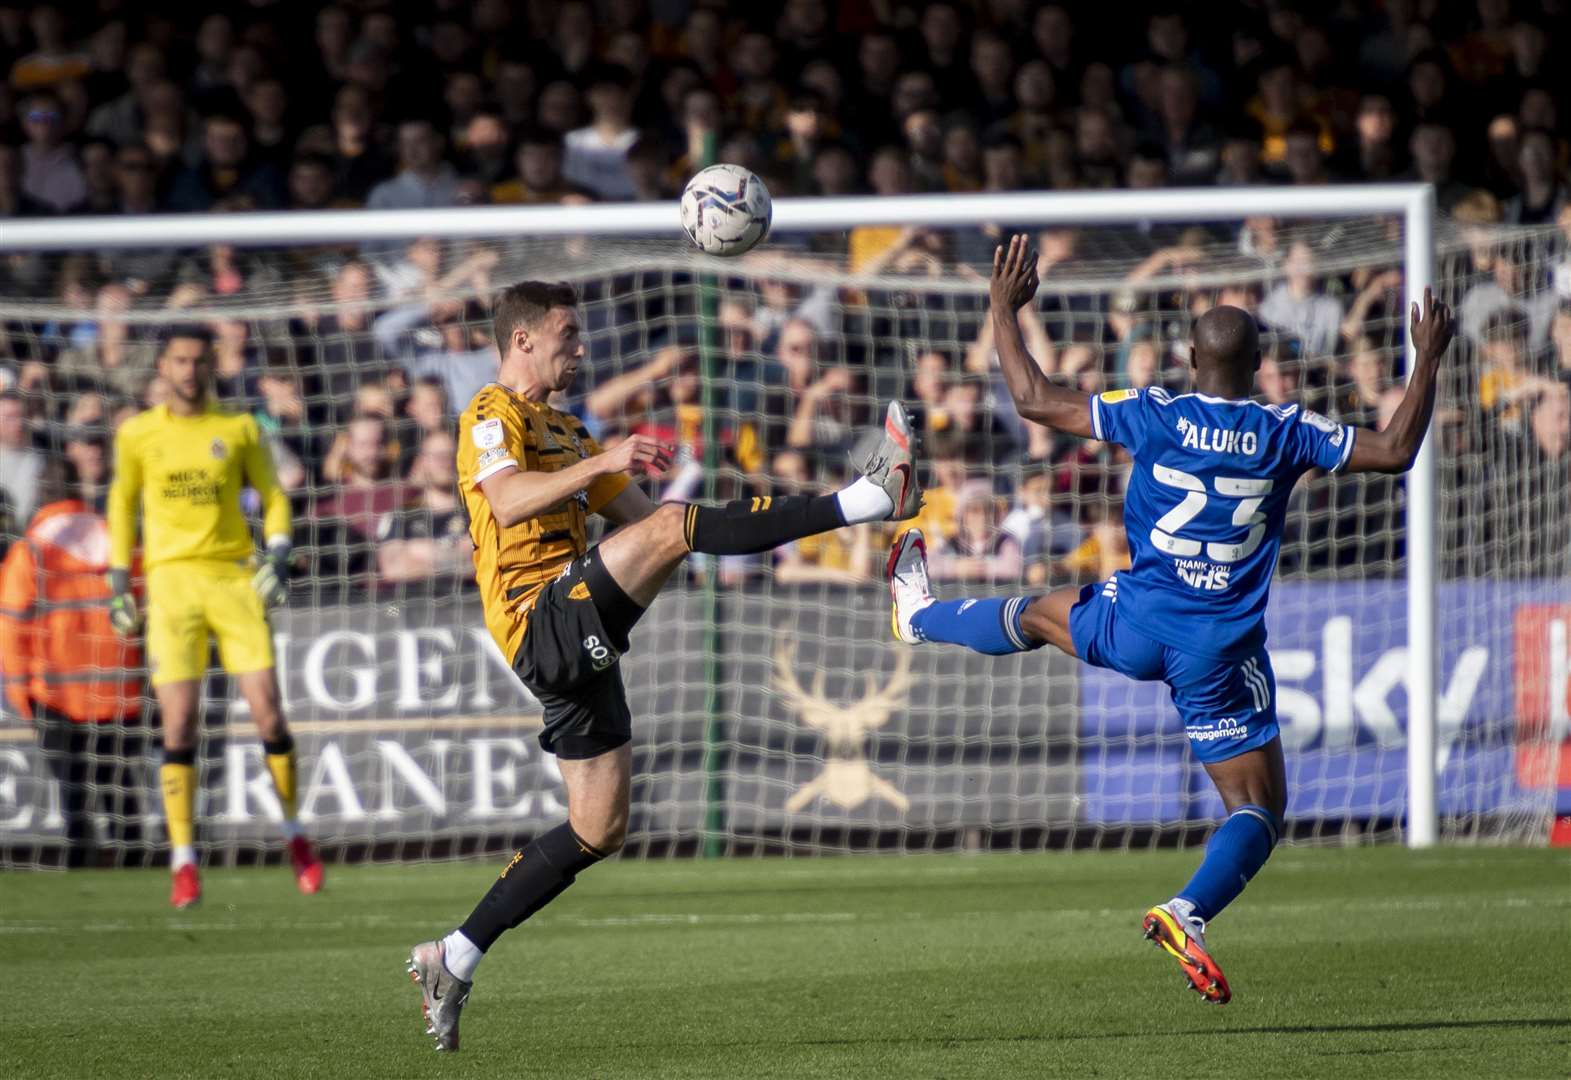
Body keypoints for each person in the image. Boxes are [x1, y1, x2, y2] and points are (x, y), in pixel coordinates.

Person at [886, 235, 1456, 1005]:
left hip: (1137, 622)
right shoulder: (1286, 430)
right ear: (1255, 368)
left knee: (1034, 615)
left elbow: (1031, 397)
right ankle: (1187, 909)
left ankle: (919, 616)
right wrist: (1425, 358)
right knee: (1255, 810)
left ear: (1188, 356)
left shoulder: (1154, 413)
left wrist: (1000, 306)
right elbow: (1393, 451)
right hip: (1217, 651)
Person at [406, 280, 922, 1051]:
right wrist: (609, 467)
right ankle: (865, 499)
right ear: (521, 341)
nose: (579, 350)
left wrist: (682, 498)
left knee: (598, 828)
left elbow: (650, 523)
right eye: (567, 336)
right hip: (536, 617)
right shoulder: (492, 413)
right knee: (679, 530)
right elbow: (509, 503)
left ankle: (455, 953)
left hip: (575, 619)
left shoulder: (569, 431)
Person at [105, 325, 324, 908]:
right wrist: (116, 581)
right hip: (172, 584)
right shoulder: (138, 434)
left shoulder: (239, 427)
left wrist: (277, 551)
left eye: (198, 360)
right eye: (179, 359)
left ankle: (295, 833)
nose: (189, 370)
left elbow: (274, 496)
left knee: (268, 713)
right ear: (162, 366)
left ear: (210, 366)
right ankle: (183, 860)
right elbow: (122, 504)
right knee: (178, 725)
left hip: (232, 578)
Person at [0, 489, 145, 867]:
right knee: (121, 786)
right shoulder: (117, 538)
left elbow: (11, 625)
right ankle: (135, 865)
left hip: (55, 690)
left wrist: (19, 692)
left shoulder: (29, 551)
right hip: (115, 685)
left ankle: (81, 864)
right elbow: (143, 602)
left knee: (73, 789)